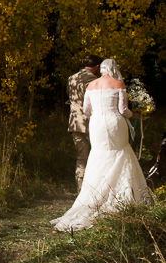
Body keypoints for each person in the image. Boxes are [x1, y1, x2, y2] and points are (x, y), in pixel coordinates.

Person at [52, 58, 150, 232]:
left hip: (96, 124)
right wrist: (134, 114)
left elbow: (86, 110)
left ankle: (93, 196)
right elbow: (123, 110)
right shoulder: (118, 84)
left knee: (98, 155)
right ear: (113, 69)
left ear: (101, 68)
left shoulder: (91, 86)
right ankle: (122, 194)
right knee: (121, 153)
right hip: (115, 123)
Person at [67, 55, 102, 193]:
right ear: (97, 67)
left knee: (81, 158)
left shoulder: (71, 78)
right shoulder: (92, 80)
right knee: (96, 156)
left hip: (75, 122)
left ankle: (80, 190)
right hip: (90, 122)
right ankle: (93, 190)